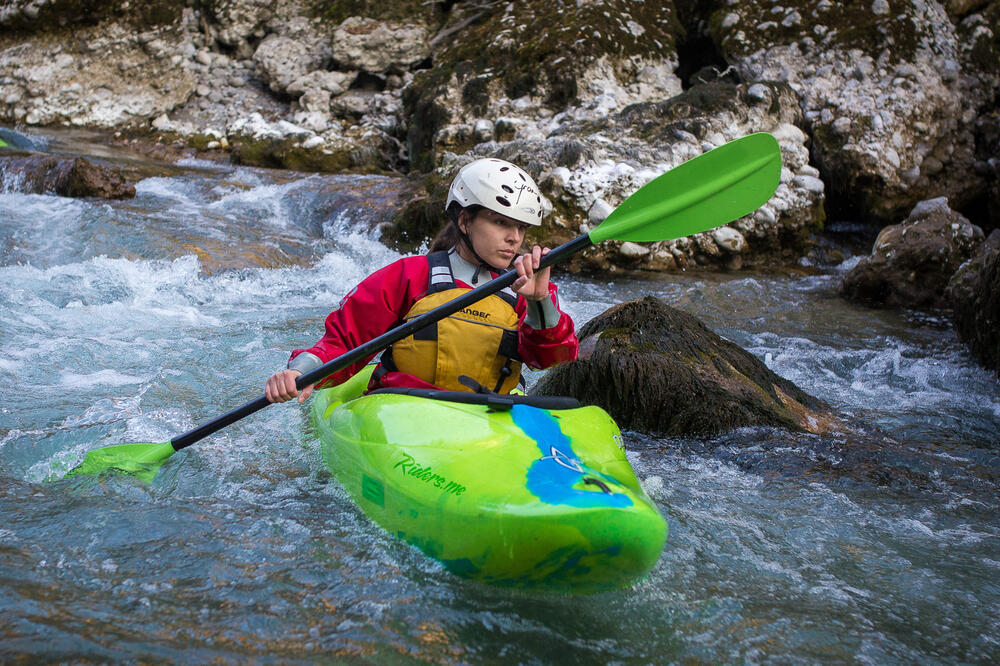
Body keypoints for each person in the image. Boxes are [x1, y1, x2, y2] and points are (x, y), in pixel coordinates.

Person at [264, 157, 579, 404]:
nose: (514, 238)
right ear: (465, 221)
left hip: (492, 413)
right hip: (407, 407)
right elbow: (344, 342)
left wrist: (541, 302)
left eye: (521, 228)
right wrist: (299, 372)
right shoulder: (410, 275)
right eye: (500, 223)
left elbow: (551, 359)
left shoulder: (525, 287)